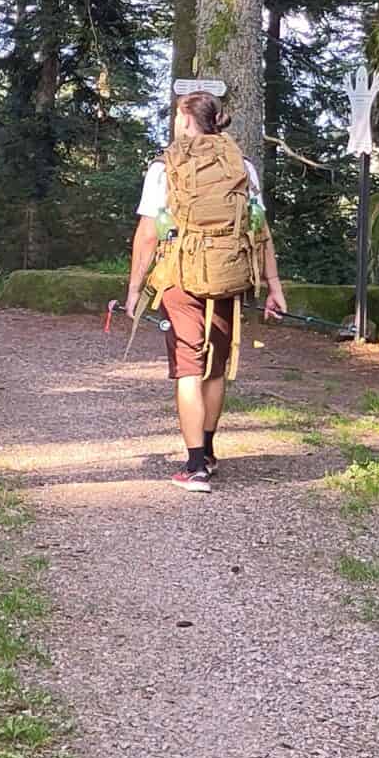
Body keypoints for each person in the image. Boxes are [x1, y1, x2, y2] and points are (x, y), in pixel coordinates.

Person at [125, 80, 287, 493]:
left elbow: (147, 234)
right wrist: (274, 286)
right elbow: (259, 229)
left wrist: (134, 289)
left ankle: (194, 464)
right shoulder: (242, 165)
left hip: (180, 277)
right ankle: (210, 453)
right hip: (230, 275)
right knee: (216, 368)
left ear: (184, 119)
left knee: (188, 370)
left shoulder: (164, 167)